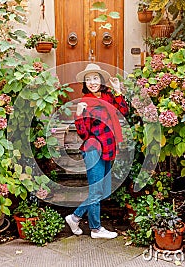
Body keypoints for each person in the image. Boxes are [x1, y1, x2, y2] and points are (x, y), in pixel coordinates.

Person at [65, 63, 129, 239]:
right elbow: (84, 134)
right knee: (96, 190)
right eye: (88, 79)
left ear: (100, 80)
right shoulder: (85, 101)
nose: (92, 82)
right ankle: (95, 229)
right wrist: (79, 115)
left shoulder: (108, 96)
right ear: (85, 83)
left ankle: (75, 217)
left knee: (102, 189)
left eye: (95, 78)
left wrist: (117, 91)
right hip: (93, 148)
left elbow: (123, 111)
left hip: (108, 146)